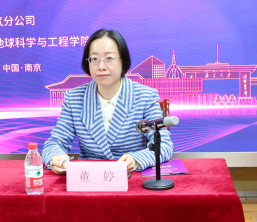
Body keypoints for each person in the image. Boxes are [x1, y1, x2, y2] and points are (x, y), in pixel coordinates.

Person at [42, 29, 173, 175]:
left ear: (123, 61)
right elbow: (55, 142)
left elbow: (164, 146)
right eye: (94, 59)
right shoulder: (74, 98)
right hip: (88, 179)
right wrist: (56, 158)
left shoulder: (145, 96)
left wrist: (135, 159)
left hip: (131, 179)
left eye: (109, 58)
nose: (101, 66)